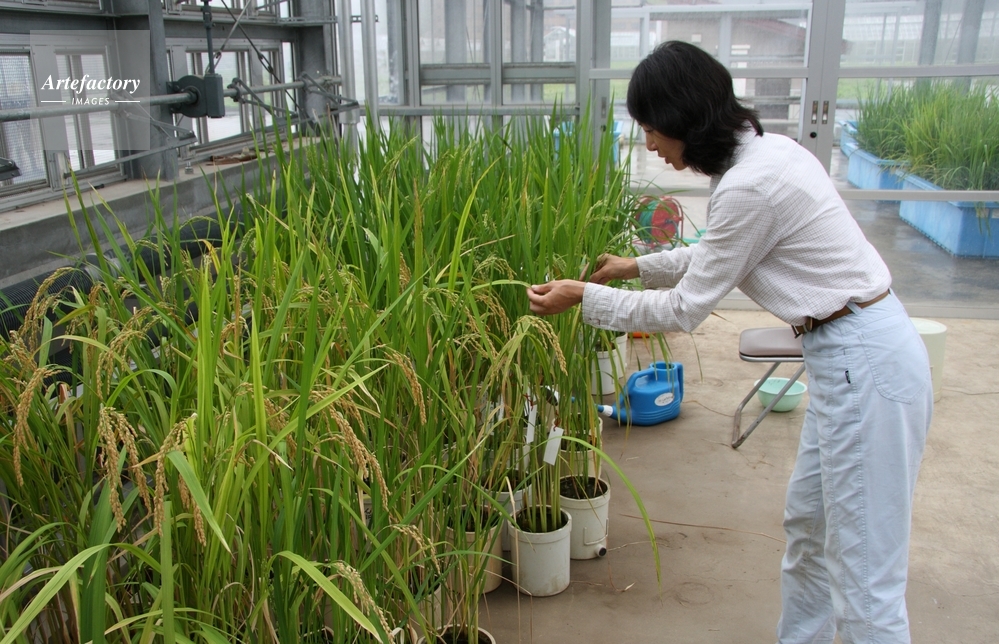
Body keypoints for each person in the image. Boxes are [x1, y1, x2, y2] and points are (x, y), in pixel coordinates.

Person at [526, 41, 933, 644]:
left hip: (863, 364)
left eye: (651, 128)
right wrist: (635, 267)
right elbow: (722, 253)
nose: (649, 145)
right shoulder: (767, 155)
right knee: (811, 531)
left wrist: (585, 298)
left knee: (865, 573)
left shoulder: (750, 185)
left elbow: (685, 308)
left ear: (683, 118)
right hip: (848, 355)